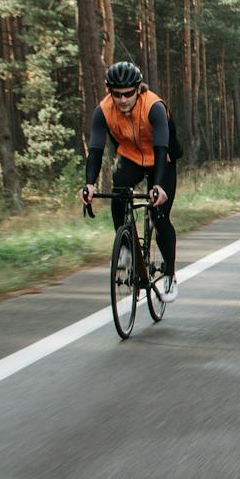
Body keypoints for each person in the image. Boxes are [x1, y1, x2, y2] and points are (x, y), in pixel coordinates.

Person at [81, 61, 180, 301]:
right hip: (131, 156)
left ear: (139, 89)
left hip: (161, 158)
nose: (123, 99)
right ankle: (126, 248)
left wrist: (156, 186)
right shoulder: (103, 110)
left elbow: (160, 146)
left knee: (159, 215)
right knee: (119, 193)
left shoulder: (153, 106)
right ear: (109, 91)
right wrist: (89, 184)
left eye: (128, 94)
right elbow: (95, 149)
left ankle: (169, 275)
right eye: (117, 94)